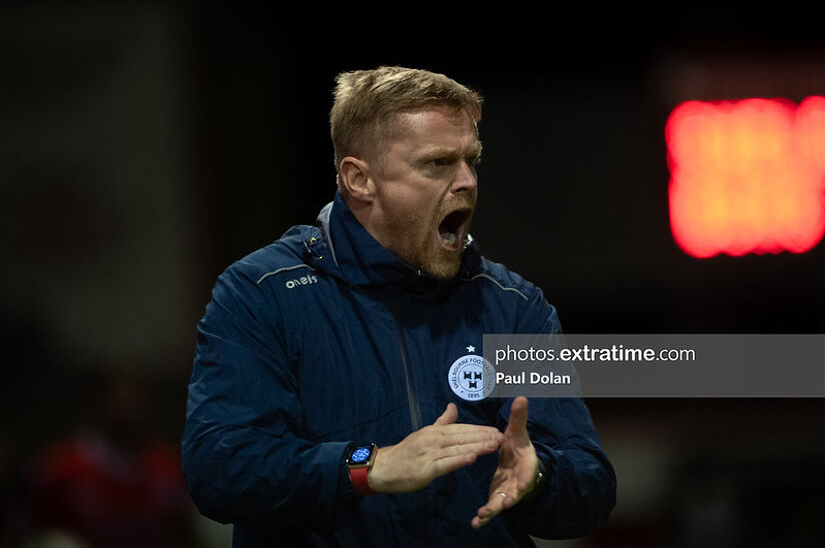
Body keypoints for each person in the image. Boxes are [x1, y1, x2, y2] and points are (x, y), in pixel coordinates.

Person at [182, 66, 616, 547]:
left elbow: (590, 487)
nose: (468, 181)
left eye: (471, 160)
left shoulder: (514, 308)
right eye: (437, 163)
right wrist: (371, 466)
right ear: (359, 179)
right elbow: (219, 471)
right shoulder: (261, 294)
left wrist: (540, 479)